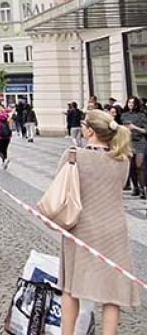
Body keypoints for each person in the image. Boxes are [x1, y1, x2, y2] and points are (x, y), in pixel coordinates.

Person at [56, 110, 139, 335]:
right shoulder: (122, 160)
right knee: (112, 294)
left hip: (80, 228)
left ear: (89, 130)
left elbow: (60, 187)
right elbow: (121, 186)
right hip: (114, 228)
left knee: (71, 288)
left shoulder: (74, 155)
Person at [120, 97, 147, 199]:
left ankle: (143, 188)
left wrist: (134, 127)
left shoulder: (142, 115)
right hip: (129, 142)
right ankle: (135, 187)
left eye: (132, 102)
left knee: (139, 166)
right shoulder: (124, 115)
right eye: (129, 102)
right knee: (131, 167)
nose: (130, 104)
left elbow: (145, 130)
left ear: (136, 104)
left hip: (140, 142)